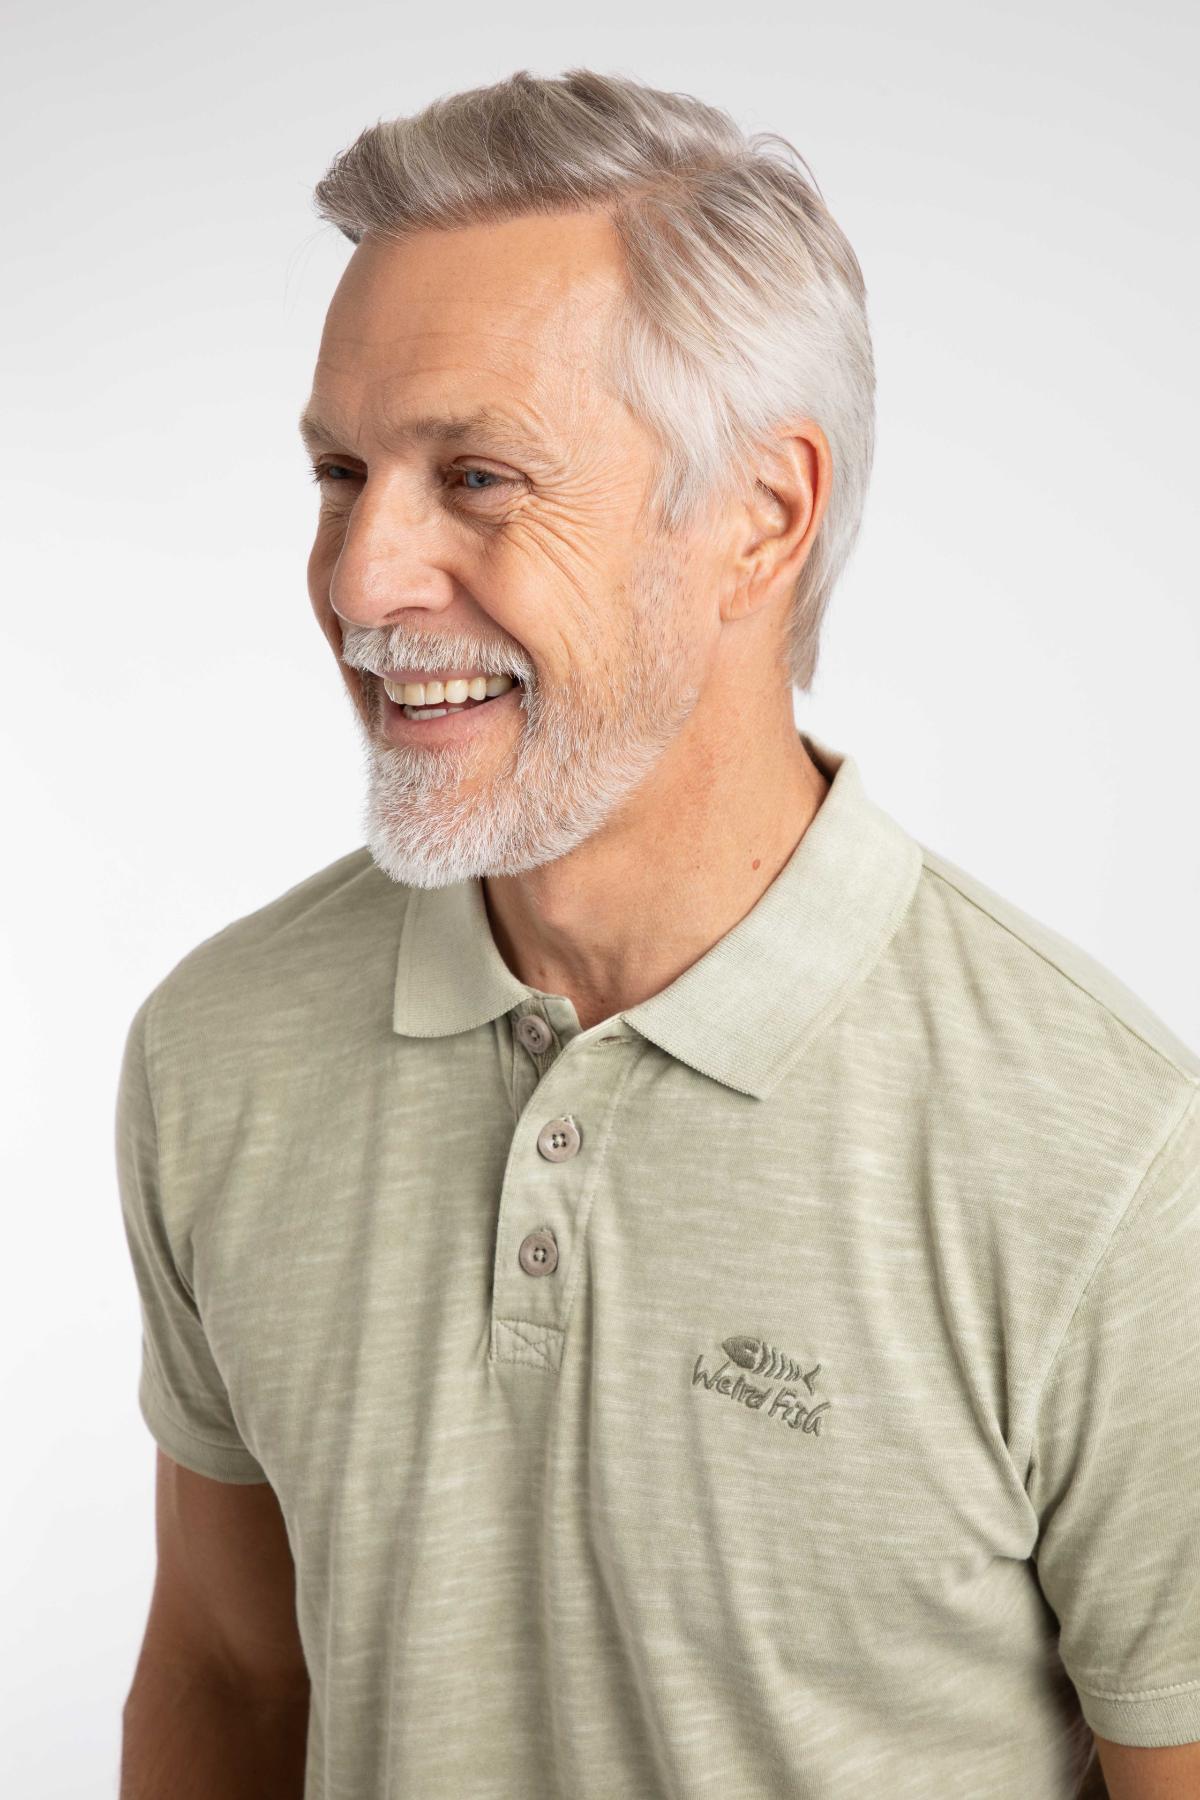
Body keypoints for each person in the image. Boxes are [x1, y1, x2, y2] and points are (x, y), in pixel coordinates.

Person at [115, 67, 1200, 1800]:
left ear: (761, 518)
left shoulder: (1114, 1162)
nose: (360, 577)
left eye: (478, 476)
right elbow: (233, 1675)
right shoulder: (218, 1051)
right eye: (341, 471)